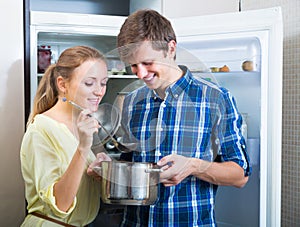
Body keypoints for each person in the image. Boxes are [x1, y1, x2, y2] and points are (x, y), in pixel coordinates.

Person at [115, 9, 251, 226]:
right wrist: (108, 168)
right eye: (133, 65)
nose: (140, 74)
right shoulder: (132, 101)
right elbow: (129, 165)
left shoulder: (215, 98)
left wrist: (193, 166)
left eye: (147, 62)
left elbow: (240, 175)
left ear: (170, 48)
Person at [20, 45, 111, 227]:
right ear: (62, 84)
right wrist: (83, 149)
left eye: (103, 83)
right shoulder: (41, 129)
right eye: (89, 83)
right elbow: (60, 204)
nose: (99, 91)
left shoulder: (81, 125)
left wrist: (103, 170)